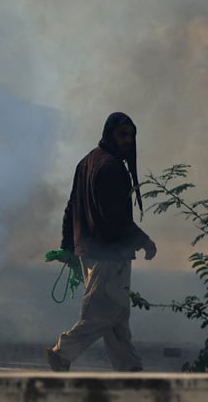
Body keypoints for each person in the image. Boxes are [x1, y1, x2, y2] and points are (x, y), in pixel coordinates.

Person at [46, 111, 157, 372]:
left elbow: (71, 207)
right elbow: (116, 218)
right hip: (110, 254)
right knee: (103, 314)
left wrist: (68, 246)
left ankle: (129, 368)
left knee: (116, 315)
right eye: (122, 135)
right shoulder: (112, 168)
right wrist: (144, 240)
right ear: (109, 134)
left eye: (130, 136)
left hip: (91, 251)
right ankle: (62, 353)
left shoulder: (86, 162)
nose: (127, 141)